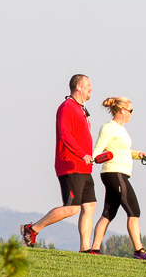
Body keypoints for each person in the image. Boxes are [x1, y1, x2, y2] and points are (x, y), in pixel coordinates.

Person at [20, 74, 99, 253]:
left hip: (84, 167)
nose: (91, 89)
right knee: (71, 208)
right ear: (78, 87)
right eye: (88, 85)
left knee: (90, 205)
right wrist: (81, 154)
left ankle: (85, 249)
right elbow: (65, 135)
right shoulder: (67, 107)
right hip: (70, 165)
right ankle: (31, 230)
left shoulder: (81, 109)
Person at [89, 97, 146, 260]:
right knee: (134, 210)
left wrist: (137, 154)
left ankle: (94, 249)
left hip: (118, 173)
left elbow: (123, 151)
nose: (131, 114)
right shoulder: (109, 128)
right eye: (130, 111)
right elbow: (97, 150)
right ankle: (139, 251)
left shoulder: (121, 129)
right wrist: (93, 158)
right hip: (114, 173)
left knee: (108, 213)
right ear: (122, 110)